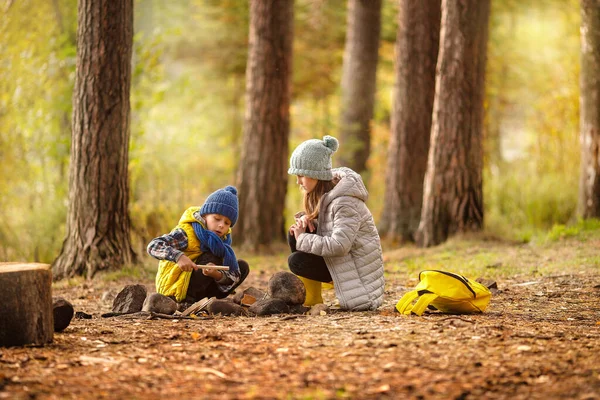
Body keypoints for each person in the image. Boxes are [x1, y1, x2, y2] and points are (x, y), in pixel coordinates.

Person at [287, 135, 385, 311]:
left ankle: (315, 297)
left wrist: (304, 238)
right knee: (294, 234)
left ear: (314, 173)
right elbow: (331, 227)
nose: (298, 181)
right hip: (345, 263)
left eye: (301, 175)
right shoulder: (329, 196)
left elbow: (339, 245)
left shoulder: (345, 202)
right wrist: (307, 221)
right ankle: (313, 298)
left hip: (359, 280)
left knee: (297, 260)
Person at [147, 186, 249, 307]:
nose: (221, 225)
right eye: (217, 219)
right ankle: (185, 302)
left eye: (227, 223)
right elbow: (153, 246)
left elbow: (229, 275)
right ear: (205, 216)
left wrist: (216, 274)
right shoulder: (187, 233)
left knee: (241, 267)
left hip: (201, 286)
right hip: (176, 288)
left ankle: (208, 302)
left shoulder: (222, 241)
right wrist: (178, 256)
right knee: (212, 255)